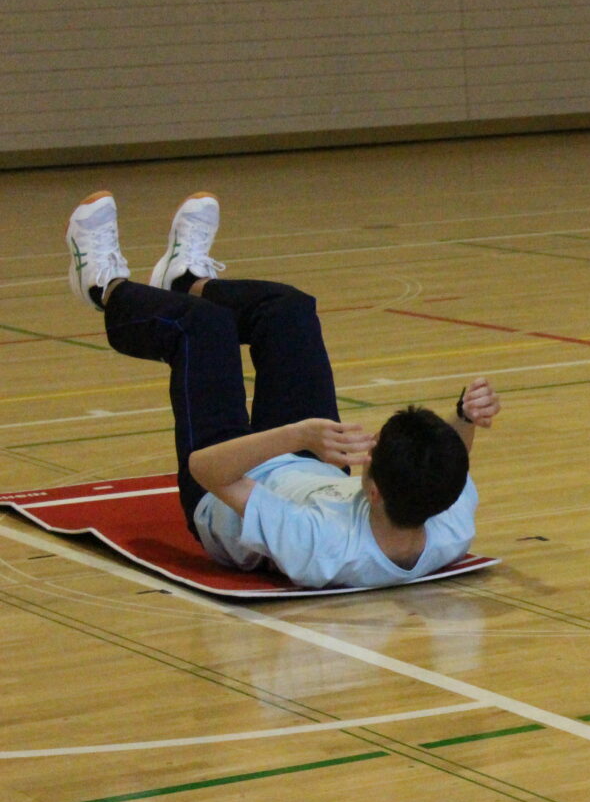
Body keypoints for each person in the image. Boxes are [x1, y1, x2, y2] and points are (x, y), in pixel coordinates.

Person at [65, 190, 500, 590]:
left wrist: (298, 435)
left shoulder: (321, 546)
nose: (367, 450)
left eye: (372, 454)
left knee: (202, 327)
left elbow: (205, 469)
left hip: (222, 489)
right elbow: (450, 467)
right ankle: (183, 280)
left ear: (374, 492)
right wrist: (463, 418)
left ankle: (104, 288)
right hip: (309, 470)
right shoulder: (448, 526)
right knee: (289, 310)